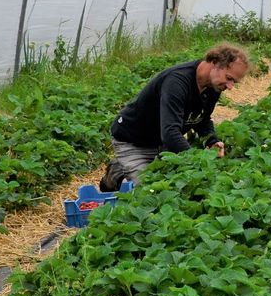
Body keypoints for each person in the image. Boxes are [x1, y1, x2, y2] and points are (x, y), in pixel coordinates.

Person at [99, 42, 249, 190]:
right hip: (133, 140)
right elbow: (170, 133)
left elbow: (202, 119)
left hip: (161, 141)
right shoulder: (177, 82)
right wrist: (197, 161)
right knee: (149, 191)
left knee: (175, 185)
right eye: (229, 78)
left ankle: (120, 167)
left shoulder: (213, 86)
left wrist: (211, 140)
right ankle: (120, 168)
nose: (230, 86)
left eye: (234, 82)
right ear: (215, 63)